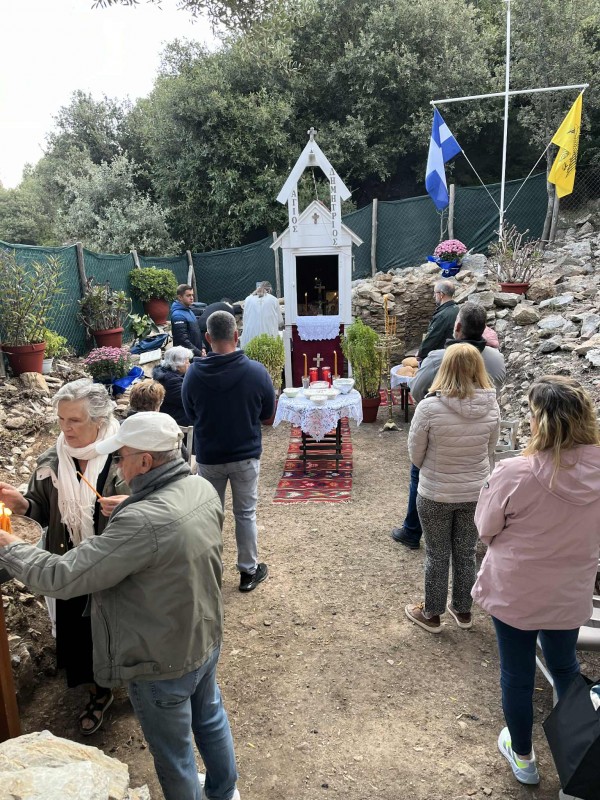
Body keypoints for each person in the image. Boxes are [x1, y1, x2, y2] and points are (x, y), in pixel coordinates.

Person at [0, 412, 240, 800]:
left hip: (159, 658)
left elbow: (64, 576)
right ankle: (224, 791)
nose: (117, 465)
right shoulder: (200, 487)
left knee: (174, 755)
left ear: (145, 461)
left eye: (121, 456)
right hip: (203, 633)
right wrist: (133, 504)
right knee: (210, 718)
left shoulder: (142, 522)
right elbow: (174, 541)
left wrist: (10, 547)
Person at [472, 376, 600, 787]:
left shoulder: (515, 472)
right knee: (565, 665)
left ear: (540, 421)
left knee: (517, 673)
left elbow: (485, 527)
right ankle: (578, 758)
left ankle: (524, 757)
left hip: (517, 590)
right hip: (569, 589)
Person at [0, 378, 128, 734]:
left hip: (115, 565)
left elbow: (156, 510)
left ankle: (131, 681)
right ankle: (98, 691)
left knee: (119, 628)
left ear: (100, 421)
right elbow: (41, 513)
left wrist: (130, 505)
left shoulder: (125, 458)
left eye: (75, 420)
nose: (65, 428)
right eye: (61, 419)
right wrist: (22, 504)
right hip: (69, 562)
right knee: (82, 632)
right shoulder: (53, 460)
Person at [392, 302, 506, 550]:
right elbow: (492, 440)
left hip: (442, 433)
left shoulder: (439, 358)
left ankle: (412, 530)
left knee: (418, 472)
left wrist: (434, 408)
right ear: (483, 328)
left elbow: (416, 390)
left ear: (457, 327)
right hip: (480, 434)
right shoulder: (496, 359)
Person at [404, 344, 500, 634]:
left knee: (437, 553)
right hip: (475, 492)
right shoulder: (492, 405)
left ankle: (432, 613)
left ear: (445, 368)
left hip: (436, 492)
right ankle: (463, 609)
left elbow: (415, 455)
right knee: (466, 551)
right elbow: (490, 449)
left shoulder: (429, 407)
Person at [182, 310, 275, 592]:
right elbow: (268, 416)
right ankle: (248, 571)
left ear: (207, 338)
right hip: (245, 455)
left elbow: (190, 414)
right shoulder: (256, 372)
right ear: (236, 335)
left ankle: (211, 574)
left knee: (211, 515)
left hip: (210, 456)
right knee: (245, 514)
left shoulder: (193, 374)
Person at [417, 279, 459, 362]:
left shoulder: (442, 315)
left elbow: (432, 338)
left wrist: (420, 354)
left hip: (442, 357)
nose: (434, 296)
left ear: (441, 294)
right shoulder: (457, 309)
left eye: (435, 293)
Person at [152, 346, 194, 427]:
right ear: (177, 365)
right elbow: (189, 402)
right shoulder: (171, 381)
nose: (189, 364)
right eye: (187, 362)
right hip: (176, 418)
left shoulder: (168, 372)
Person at [239, 282, 283, 350]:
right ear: (270, 290)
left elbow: (244, 319)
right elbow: (280, 321)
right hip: (268, 339)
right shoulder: (274, 300)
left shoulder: (248, 299)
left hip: (250, 340)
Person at [171, 284, 204, 357]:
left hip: (196, 355)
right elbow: (183, 341)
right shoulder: (178, 316)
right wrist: (199, 353)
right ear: (180, 297)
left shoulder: (189, 311)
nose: (192, 298)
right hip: (186, 359)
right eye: (188, 295)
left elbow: (197, 332)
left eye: (192, 295)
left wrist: (203, 347)